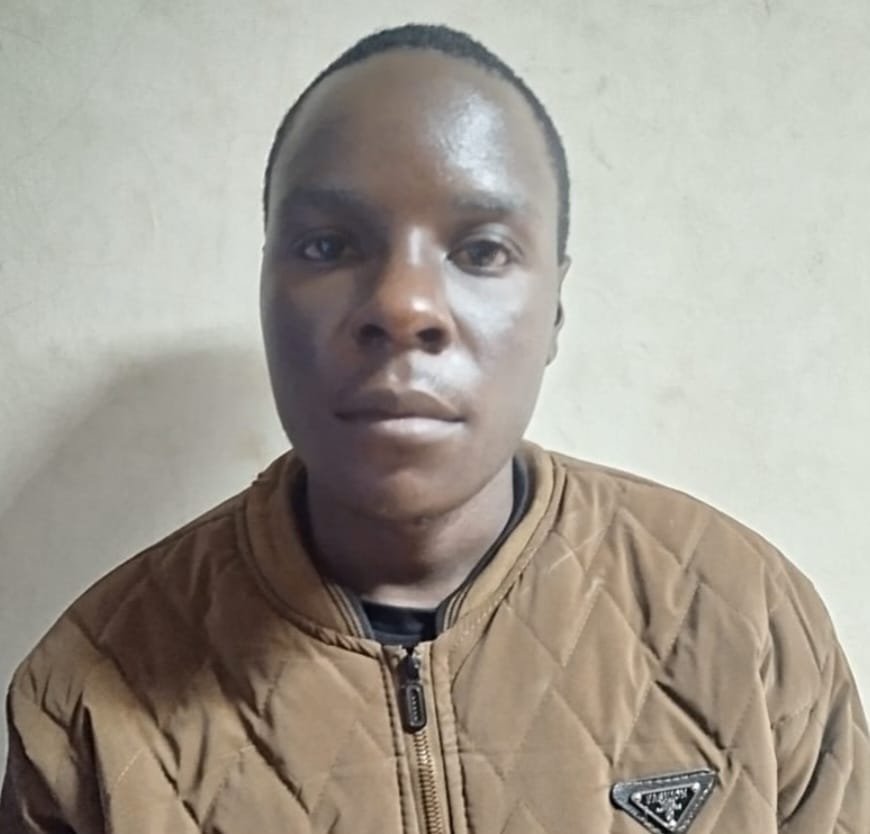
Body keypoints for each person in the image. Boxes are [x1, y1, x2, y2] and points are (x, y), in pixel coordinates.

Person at [1, 23, 867, 834]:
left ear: (555, 310)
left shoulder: (746, 621)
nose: (404, 305)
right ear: (265, 292)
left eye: (482, 251)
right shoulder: (85, 694)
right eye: (328, 246)